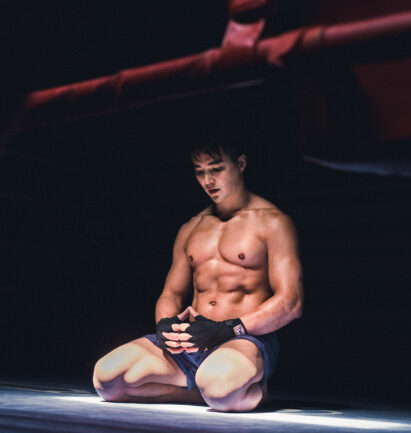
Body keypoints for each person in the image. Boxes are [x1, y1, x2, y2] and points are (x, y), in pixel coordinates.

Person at [92, 132, 304, 412]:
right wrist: (165, 325)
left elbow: (291, 302)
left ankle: (232, 390)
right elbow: (171, 293)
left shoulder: (273, 223)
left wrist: (228, 328)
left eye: (216, 169)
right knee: (106, 380)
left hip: (242, 340)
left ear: (241, 163)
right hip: (190, 341)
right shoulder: (192, 227)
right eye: (200, 172)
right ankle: (205, 394)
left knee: (220, 386)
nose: (208, 181)